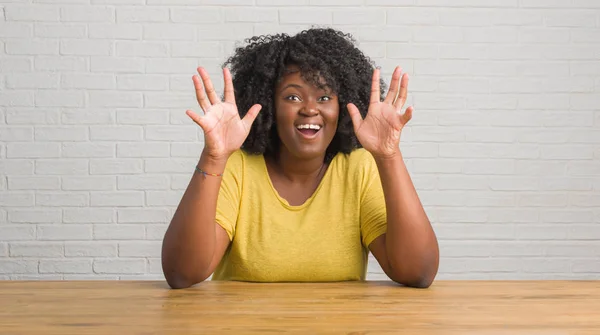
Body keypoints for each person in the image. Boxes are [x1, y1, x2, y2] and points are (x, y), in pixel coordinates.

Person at [161, 28, 439, 289]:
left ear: (341, 107)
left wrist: (388, 156)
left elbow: (418, 272)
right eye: (293, 97)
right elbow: (182, 273)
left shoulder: (358, 168)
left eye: (324, 97)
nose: (309, 109)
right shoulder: (239, 168)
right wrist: (213, 157)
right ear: (269, 105)